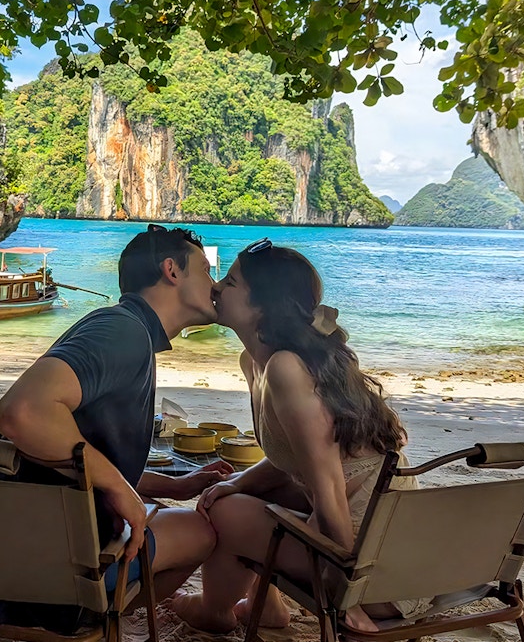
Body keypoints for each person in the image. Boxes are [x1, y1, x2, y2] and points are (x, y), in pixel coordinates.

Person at [0, 224, 229, 633]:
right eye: (205, 270)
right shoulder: (123, 332)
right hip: (31, 575)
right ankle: (91, 619)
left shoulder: (122, 328)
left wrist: (175, 486)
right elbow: (21, 412)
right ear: (172, 271)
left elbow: (68, 455)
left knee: (155, 508)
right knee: (199, 532)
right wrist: (119, 488)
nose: (216, 284)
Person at [172, 239, 424, 634]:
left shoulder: (286, 368)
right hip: (365, 541)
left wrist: (349, 598)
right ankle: (264, 607)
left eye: (231, 282)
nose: (217, 287)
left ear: (263, 305)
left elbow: (328, 487)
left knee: (225, 513)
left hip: (380, 575)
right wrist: (237, 482)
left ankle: (214, 612)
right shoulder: (256, 362)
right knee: (237, 493)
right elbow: (297, 455)